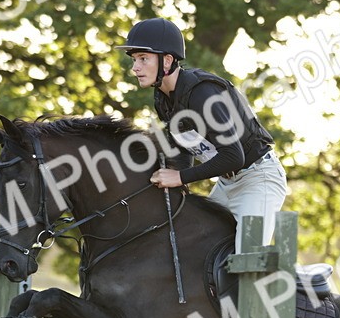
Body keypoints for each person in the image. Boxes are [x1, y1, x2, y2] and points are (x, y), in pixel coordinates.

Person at [118, 18, 288, 251]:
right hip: (229, 183)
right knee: (192, 246)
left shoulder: (202, 93)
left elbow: (233, 157)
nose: (135, 67)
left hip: (259, 179)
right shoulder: (164, 98)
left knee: (249, 260)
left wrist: (179, 177)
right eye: (135, 59)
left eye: (143, 59)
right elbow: (183, 149)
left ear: (167, 60)